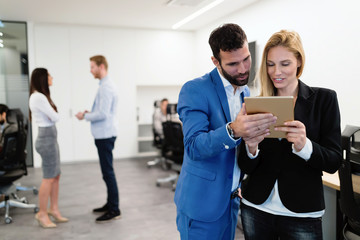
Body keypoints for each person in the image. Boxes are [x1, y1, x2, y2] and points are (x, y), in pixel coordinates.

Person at [174, 23, 277, 240]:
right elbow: (194, 146)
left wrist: (252, 144)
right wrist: (233, 130)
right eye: (232, 64)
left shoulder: (245, 91)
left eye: (246, 59)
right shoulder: (194, 90)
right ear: (216, 61)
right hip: (202, 206)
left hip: (231, 202)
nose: (242, 69)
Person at [237, 30, 342, 239]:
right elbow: (245, 165)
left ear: (299, 62)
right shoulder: (257, 104)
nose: (276, 71)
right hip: (256, 207)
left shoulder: (324, 100)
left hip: (302, 212)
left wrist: (305, 145)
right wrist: (250, 147)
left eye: (285, 64)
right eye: (270, 64)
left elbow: (334, 162)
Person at [75, 55, 120, 223]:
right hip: (104, 134)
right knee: (106, 172)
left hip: (105, 135)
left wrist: (85, 116)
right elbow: (102, 111)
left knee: (108, 172)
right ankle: (110, 204)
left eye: (92, 67)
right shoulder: (104, 86)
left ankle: (114, 209)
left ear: (101, 67)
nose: (90, 70)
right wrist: (89, 114)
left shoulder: (106, 87)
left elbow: (103, 114)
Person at [29, 68, 68, 228]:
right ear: (43, 78)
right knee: (48, 178)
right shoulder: (38, 97)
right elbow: (55, 116)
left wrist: (52, 113)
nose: (52, 77)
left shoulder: (41, 96)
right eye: (49, 75)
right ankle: (42, 214)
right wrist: (53, 113)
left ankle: (54, 209)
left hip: (50, 138)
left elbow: (53, 115)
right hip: (46, 139)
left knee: (55, 175)